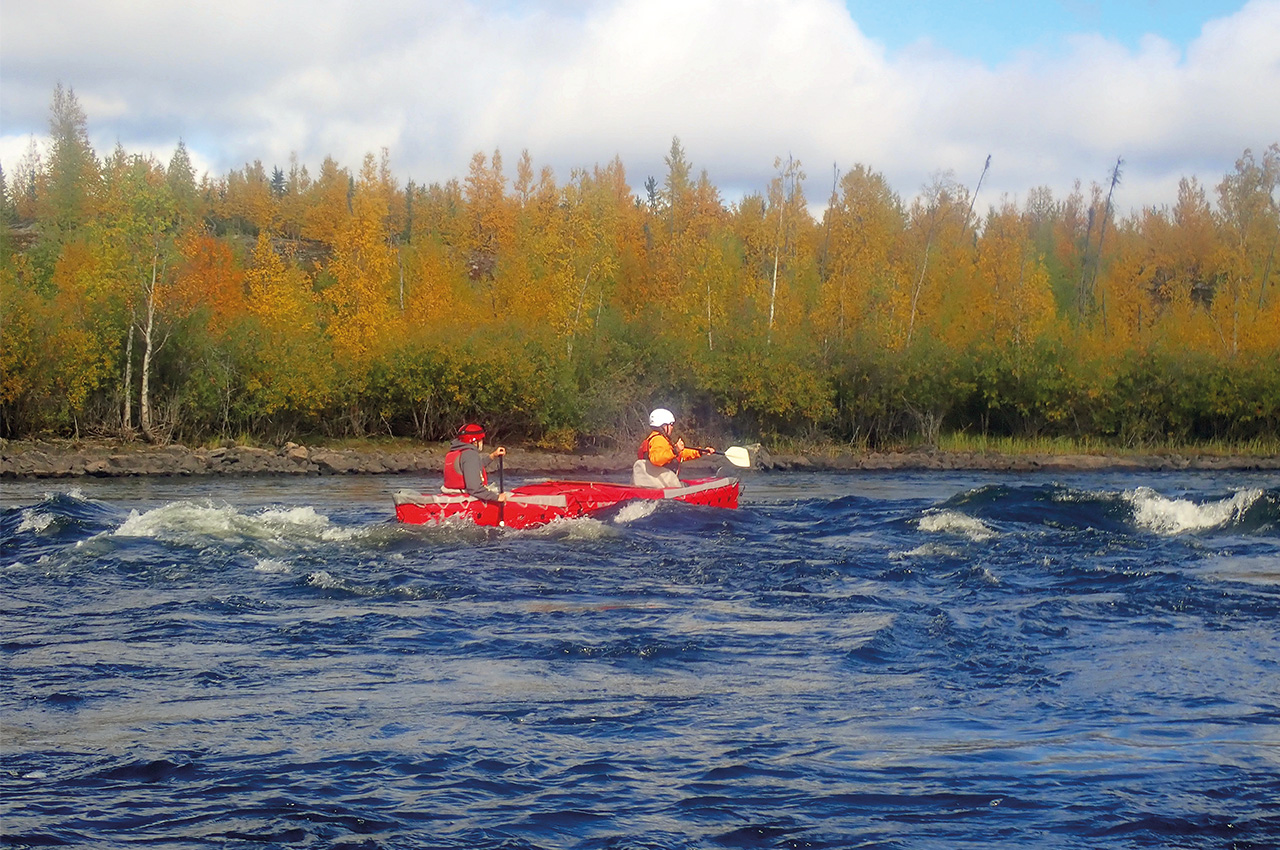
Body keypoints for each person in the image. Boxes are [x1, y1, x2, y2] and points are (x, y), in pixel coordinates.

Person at [632, 408, 714, 488]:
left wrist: (700, 451)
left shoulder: (658, 439)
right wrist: (675, 451)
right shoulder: (658, 440)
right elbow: (657, 459)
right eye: (671, 424)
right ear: (663, 425)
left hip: (656, 484)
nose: (672, 427)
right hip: (662, 485)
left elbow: (680, 454)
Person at [442, 423, 508, 502]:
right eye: (481, 440)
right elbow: (475, 489)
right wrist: (497, 497)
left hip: (451, 496)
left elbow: (473, 467)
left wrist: (493, 456)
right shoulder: (470, 454)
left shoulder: (454, 453)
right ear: (475, 442)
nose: (482, 442)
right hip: (464, 500)